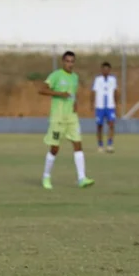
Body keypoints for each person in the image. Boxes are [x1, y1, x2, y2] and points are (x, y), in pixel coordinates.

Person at [38, 51, 95, 190]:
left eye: (72, 61)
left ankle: (82, 178)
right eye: (67, 61)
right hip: (58, 118)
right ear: (63, 62)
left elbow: (72, 94)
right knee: (55, 148)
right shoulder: (56, 75)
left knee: (78, 145)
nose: (70, 64)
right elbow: (42, 90)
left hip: (71, 117)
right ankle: (46, 176)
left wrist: (75, 103)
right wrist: (59, 94)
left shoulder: (75, 77)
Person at [91, 61, 119, 153]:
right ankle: (100, 145)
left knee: (111, 124)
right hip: (100, 106)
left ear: (110, 70)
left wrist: (116, 104)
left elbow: (115, 92)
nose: (106, 71)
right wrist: (92, 104)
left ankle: (110, 144)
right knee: (99, 125)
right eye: (104, 69)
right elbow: (93, 92)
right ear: (102, 70)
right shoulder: (98, 79)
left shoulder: (113, 79)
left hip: (110, 106)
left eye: (107, 69)